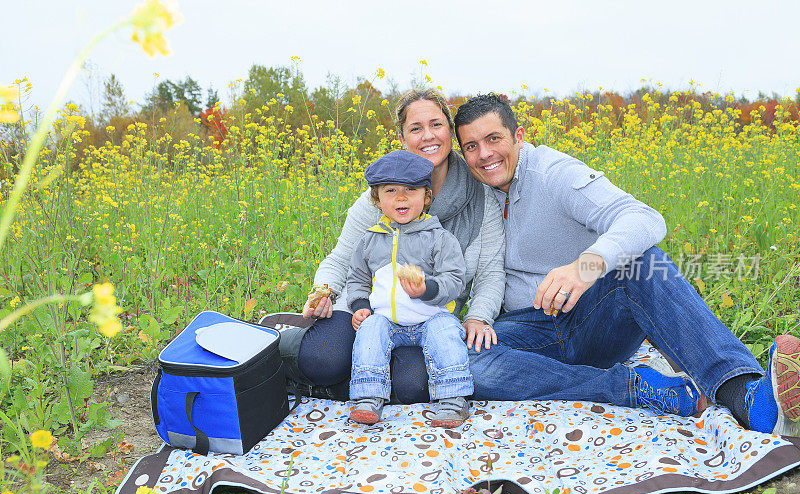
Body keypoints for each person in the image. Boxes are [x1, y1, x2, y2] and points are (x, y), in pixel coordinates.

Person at [451, 93, 800, 435]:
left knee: (645, 263)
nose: (484, 154)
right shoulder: (474, 192)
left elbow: (643, 218)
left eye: (494, 139)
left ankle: (747, 397)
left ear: (519, 136)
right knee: (461, 359)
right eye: (471, 146)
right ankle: (642, 389)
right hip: (526, 332)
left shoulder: (555, 174)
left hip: (590, 320)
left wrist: (584, 267)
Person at [276, 88, 505, 404]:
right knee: (323, 360)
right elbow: (341, 259)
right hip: (368, 311)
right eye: (415, 128)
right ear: (402, 139)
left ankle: (338, 389)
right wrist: (323, 292)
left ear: (450, 132)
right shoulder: (384, 193)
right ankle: (278, 341)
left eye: (436, 125)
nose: (428, 136)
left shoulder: (481, 198)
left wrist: (478, 316)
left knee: (413, 386)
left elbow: (491, 274)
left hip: (429, 317)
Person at [346, 150, 472, 427]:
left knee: (447, 331)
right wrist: (360, 307)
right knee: (370, 330)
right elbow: (356, 279)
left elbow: (455, 280)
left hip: (430, 317)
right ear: (377, 200)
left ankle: (453, 400)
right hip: (387, 320)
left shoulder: (439, 238)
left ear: (427, 197)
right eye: (390, 191)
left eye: (411, 190)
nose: (401, 197)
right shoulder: (369, 241)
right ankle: (368, 397)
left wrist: (426, 289)